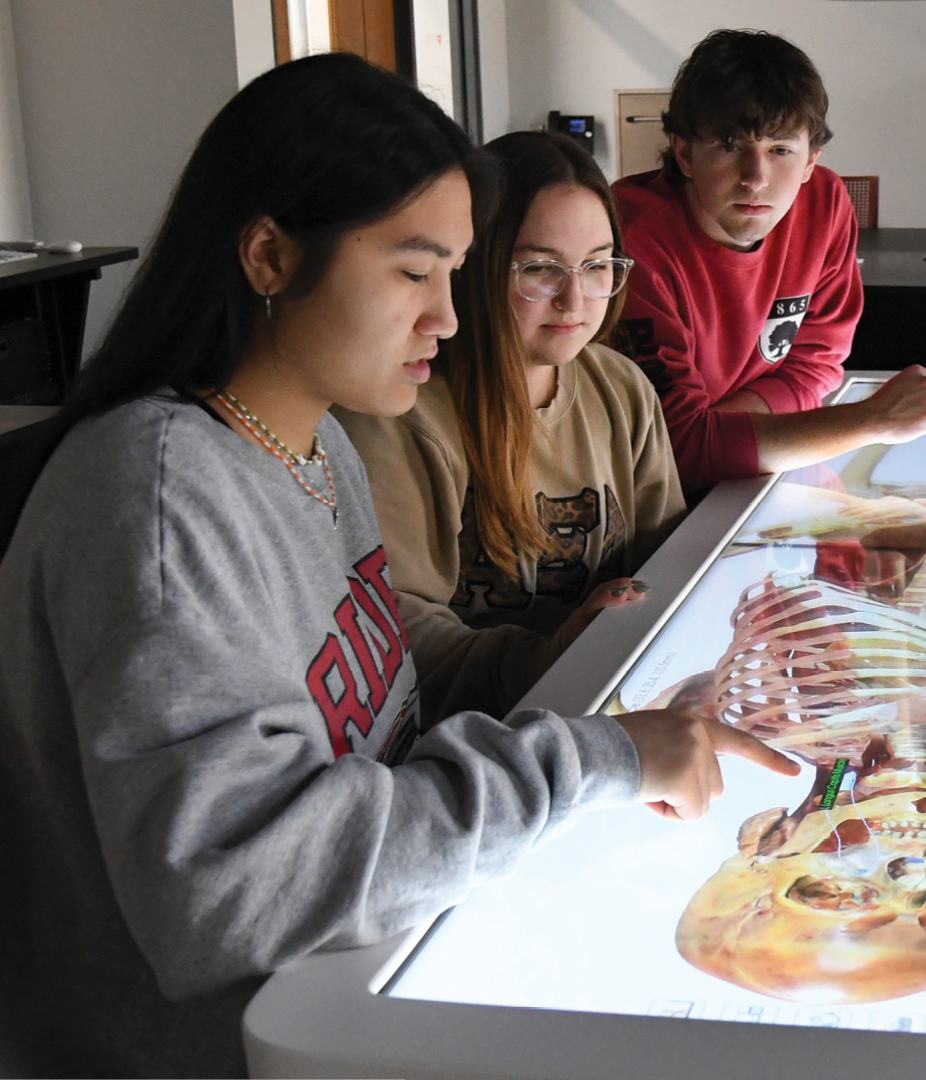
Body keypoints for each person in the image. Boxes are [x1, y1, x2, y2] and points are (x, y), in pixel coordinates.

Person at [0, 55, 794, 1078]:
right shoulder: (153, 501)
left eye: (455, 276)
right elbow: (238, 892)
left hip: (368, 969)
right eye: (414, 272)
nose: (449, 319)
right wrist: (592, 761)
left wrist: (597, 725)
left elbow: (380, 702)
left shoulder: (312, 439)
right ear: (269, 255)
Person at [338, 130, 686, 724]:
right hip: (485, 736)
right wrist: (550, 654)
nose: (575, 298)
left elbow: (672, 558)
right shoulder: (404, 414)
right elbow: (396, 630)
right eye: (540, 269)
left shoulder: (621, 388)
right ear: (474, 265)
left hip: (609, 704)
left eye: (598, 265)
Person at [611, 28, 926, 499]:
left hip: (745, 480)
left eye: (780, 150)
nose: (756, 179)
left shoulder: (825, 201)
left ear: (811, 161)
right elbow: (674, 454)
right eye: (730, 146)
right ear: (684, 153)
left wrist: (715, 433)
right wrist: (870, 420)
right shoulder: (630, 236)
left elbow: (816, 366)